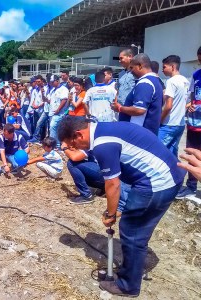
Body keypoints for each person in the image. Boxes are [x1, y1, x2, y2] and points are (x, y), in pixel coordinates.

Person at [58, 116, 185, 297]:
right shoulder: (104, 128)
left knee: (131, 230)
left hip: (158, 183)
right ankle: (134, 264)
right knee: (136, 228)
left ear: (78, 134)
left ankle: (128, 286)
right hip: (168, 175)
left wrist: (111, 213)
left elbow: (113, 184)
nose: (76, 149)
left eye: (73, 145)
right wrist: (117, 209)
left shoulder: (103, 144)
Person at [112, 53, 163, 135]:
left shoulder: (145, 83)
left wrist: (120, 108)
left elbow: (139, 110)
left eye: (132, 68)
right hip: (146, 132)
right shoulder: (155, 81)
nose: (130, 71)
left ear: (140, 66)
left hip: (139, 133)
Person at [176, 46, 201, 199]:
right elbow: (193, 94)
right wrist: (191, 104)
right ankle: (191, 186)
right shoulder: (196, 74)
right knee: (191, 153)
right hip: (195, 121)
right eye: (199, 59)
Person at [159, 55, 189, 157]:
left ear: (172, 67)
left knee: (156, 151)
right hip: (180, 124)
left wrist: (160, 119)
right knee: (172, 152)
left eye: (164, 67)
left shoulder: (171, 81)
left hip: (169, 124)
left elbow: (168, 106)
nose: (162, 70)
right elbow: (187, 102)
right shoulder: (185, 81)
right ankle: (174, 172)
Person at [48, 74, 69, 148]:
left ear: (57, 81)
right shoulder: (53, 90)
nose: (51, 83)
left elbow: (64, 100)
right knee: (55, 128)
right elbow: (50, 100)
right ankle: (56, 144)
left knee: (52, 127)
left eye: (52, 82)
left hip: (59, 113)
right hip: (52, 112)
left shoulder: (63, 89)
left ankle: (53, 145)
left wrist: (58, 109)